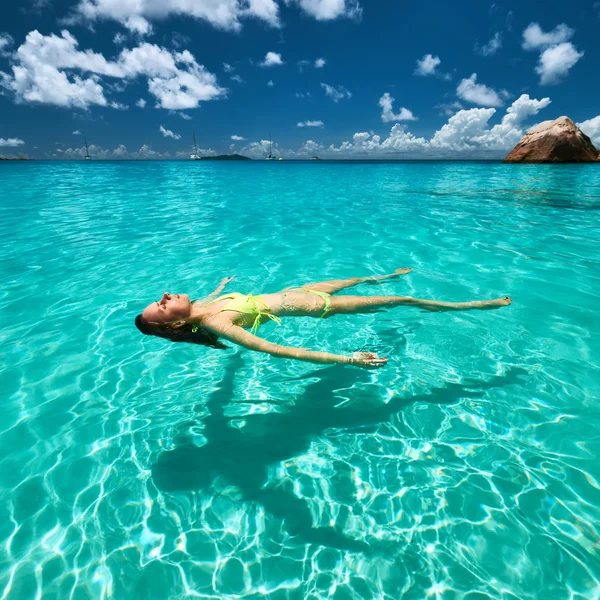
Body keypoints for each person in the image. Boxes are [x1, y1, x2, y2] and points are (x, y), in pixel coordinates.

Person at [135, 268, 511, 369]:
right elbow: (276, 349)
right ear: (175, 325)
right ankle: (474, 306)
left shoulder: (202, 306)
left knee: (358, 278)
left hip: (303, 288)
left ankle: (385, 275)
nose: (166, 296)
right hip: (317, 306)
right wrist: (346, 359)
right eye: (163, 306)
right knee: (402, 299)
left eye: (160, 298)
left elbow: (214, 299)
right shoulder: (217, 326)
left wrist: (221, 284)